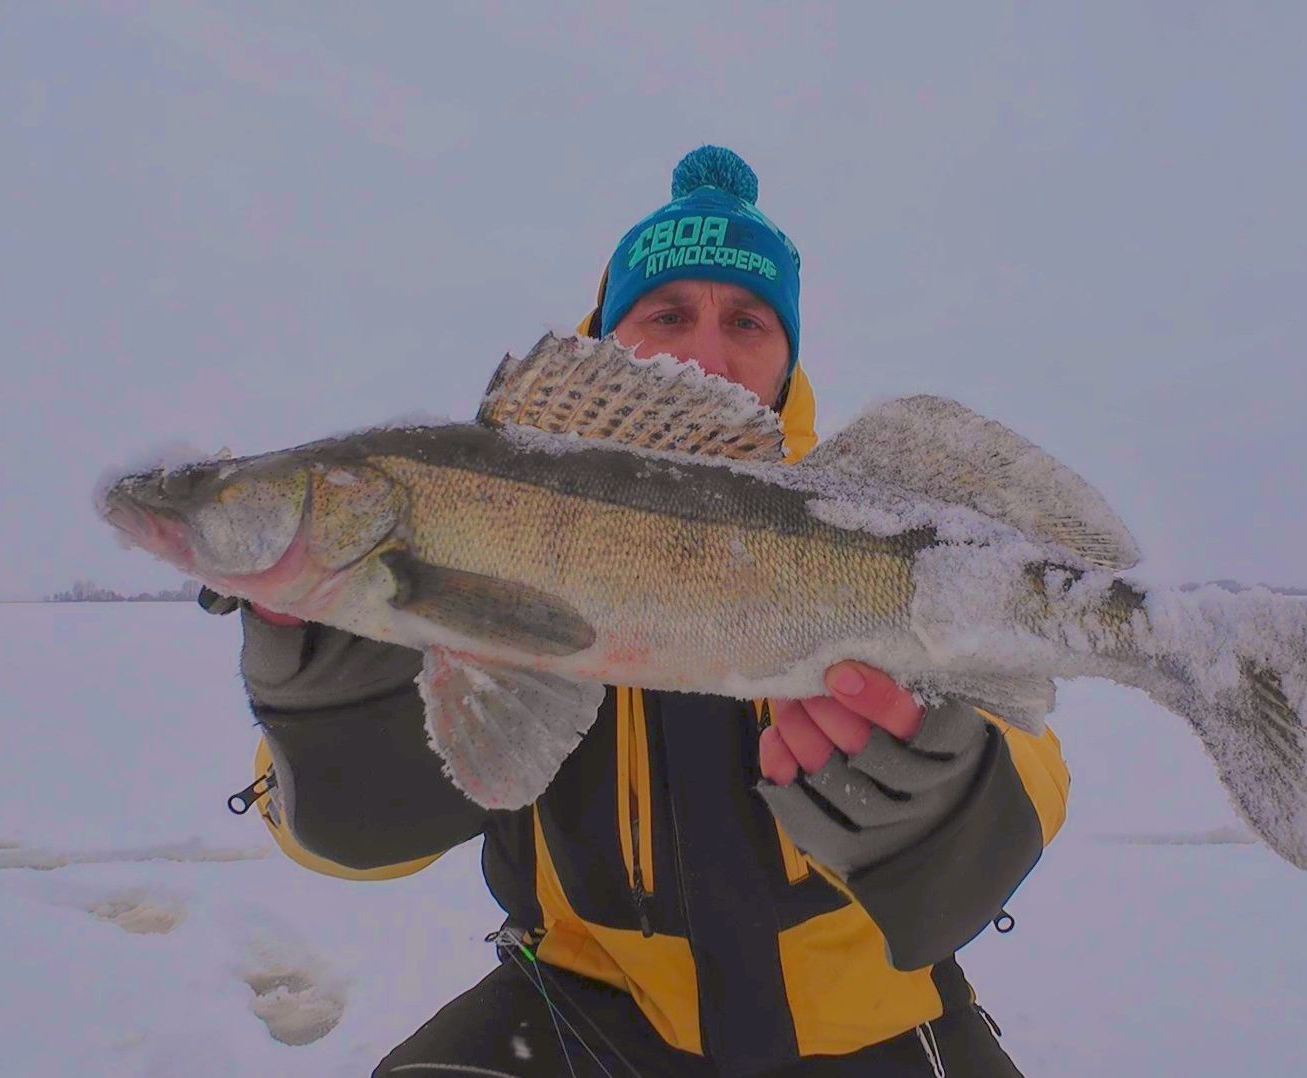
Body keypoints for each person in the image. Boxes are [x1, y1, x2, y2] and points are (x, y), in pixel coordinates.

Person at [210, 147, 1069, 1077]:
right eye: (666, 314)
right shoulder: (472, 528)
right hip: (588, 1012)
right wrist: (339, 714)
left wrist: (954, 787)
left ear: (789, 352)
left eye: (747, 319)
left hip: (875, 1026)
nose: (707, 351)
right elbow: (335, 840)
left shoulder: (874, 528)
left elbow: (1031, 749)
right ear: (607, 339)